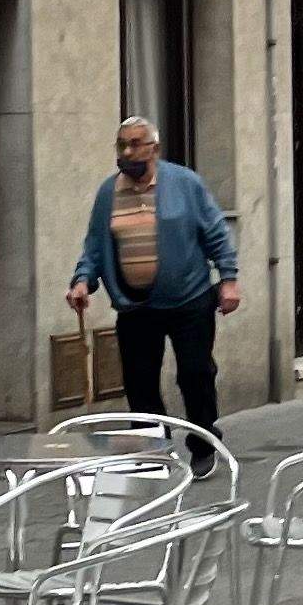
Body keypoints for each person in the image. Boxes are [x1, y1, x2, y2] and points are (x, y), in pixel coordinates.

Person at [69, 116, 241, 472]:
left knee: (195, 373)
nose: (128, 151)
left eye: (135, 143)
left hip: (189, 300)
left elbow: (215, 233)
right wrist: (83, 281)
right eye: (122, 144)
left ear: (154, 148)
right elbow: (95, 247)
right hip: (135, 305)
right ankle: (152, 447)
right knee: (140, 380)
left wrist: (228, 279)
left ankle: (203, 441)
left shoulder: (185, 184)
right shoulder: (108, 193)